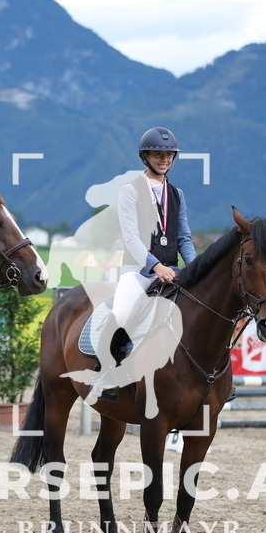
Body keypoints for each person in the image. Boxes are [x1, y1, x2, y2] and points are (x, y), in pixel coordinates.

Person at [106, 126, 197, 363]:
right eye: (158, 154)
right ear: (145, 156)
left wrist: (197, 268)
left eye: (169, 155)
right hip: (138, 272)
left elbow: (184, 239)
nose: (164, 159)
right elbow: (131, 238)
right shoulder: (130, 191)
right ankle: (107, 371)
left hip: (173, 271)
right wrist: (156, 266)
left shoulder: (177, 194)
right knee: (123, 311)